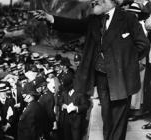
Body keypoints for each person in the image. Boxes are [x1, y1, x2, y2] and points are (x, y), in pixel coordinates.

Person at [31, 0, 150, 140]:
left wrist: (126, 62)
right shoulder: (93, 20)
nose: (93, 2)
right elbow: (74, 25)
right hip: (101, 78)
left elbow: (143, 44)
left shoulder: (128, 18)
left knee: (119, 119)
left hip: (120, 78)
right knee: (107, 117)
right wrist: (50, 18)